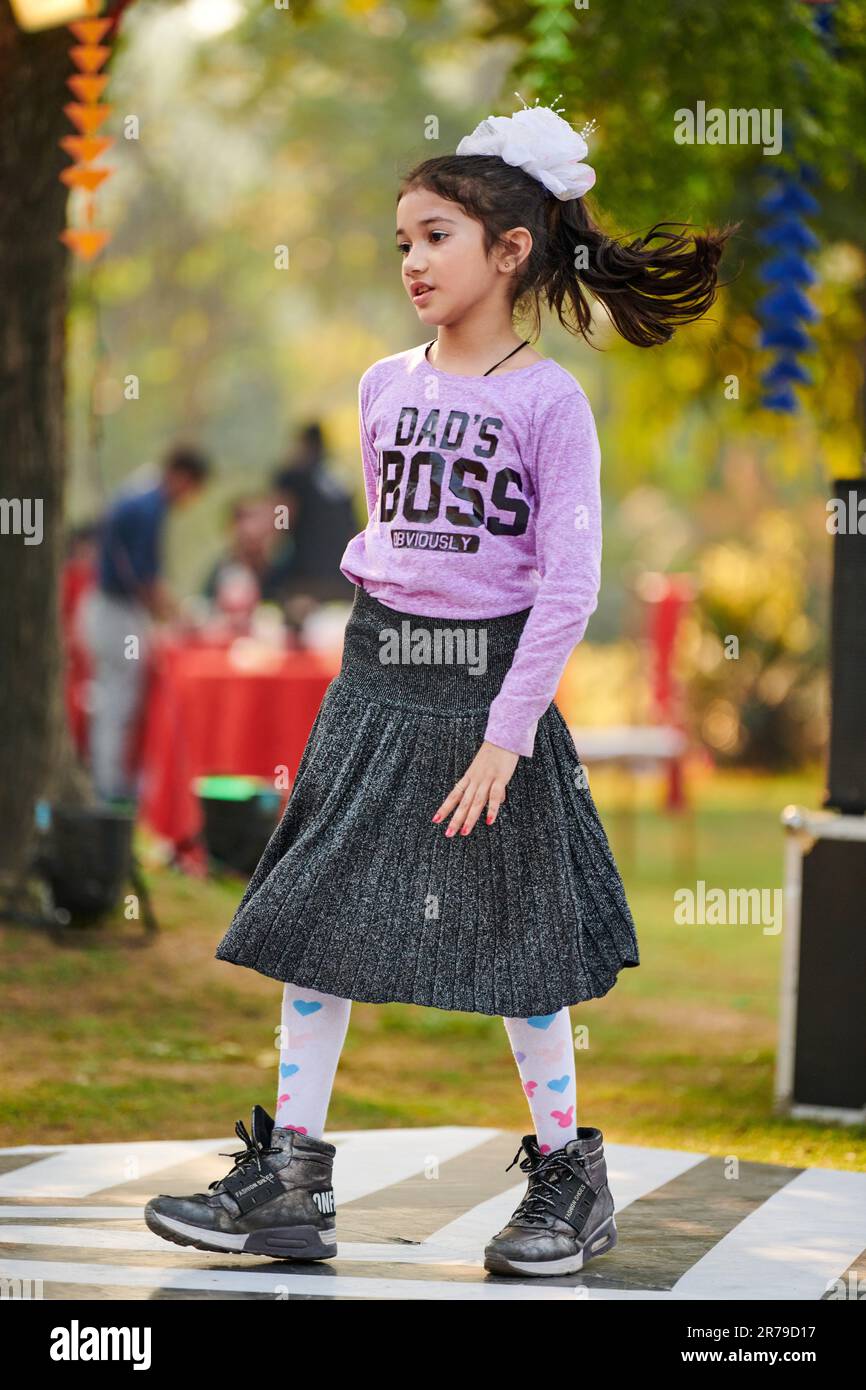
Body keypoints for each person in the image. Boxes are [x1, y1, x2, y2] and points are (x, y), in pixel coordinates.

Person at [146, 101, 737, 1275]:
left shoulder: (548, 402)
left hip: (486, 702)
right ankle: (291, 1183)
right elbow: (394, 548)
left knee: (523, 946)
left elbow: (565, 588)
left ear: (508, 250)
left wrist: (505, 736)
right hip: (373, 686)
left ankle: (567, 1182)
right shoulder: (379, 385)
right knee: (314, 923)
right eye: (402, 241)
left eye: (434, 237)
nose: (411, 261)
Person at [83, 443, 211, 803]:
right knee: (115, 703)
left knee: (114, 700)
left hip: (110, 609)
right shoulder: (148, 506)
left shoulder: (142, 494)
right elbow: (143, 579)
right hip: (114, 612)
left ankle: (110, 782)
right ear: (184, 478)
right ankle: (107, 790)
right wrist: (182, 616)